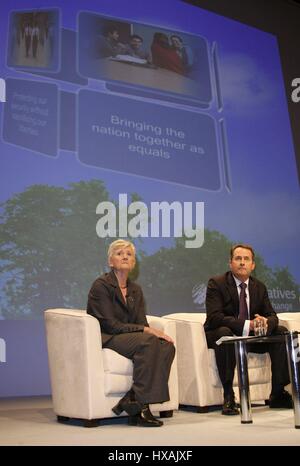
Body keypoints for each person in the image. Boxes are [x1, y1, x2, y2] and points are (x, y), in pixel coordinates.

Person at [87, 239, 175, 427]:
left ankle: (132, 399)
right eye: (119, 253)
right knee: (148, 341)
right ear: (111, 261)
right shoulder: (101, 286)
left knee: (166, 346)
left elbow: (141, 322)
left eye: (129, 254)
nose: (125, 256)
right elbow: (110, 325)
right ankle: (142, 408)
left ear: (134, 263)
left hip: (130, 337)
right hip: (109, 337)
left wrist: (148, 331)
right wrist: (146, 330)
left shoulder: (136, 289)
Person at [204, 243, 293, 416]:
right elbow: (215, 317)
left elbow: (272, 315)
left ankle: (278, 393)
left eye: (246, 259)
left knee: (281, 331)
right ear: (230, 263)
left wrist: (264, 322)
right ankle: (229, 396)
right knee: (225, 333)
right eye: (238, 258)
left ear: (253, 265)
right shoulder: (217, 283)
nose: (242, 262)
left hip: (249, 337)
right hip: (221, 334)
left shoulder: (259, 287)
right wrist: (248, 324)